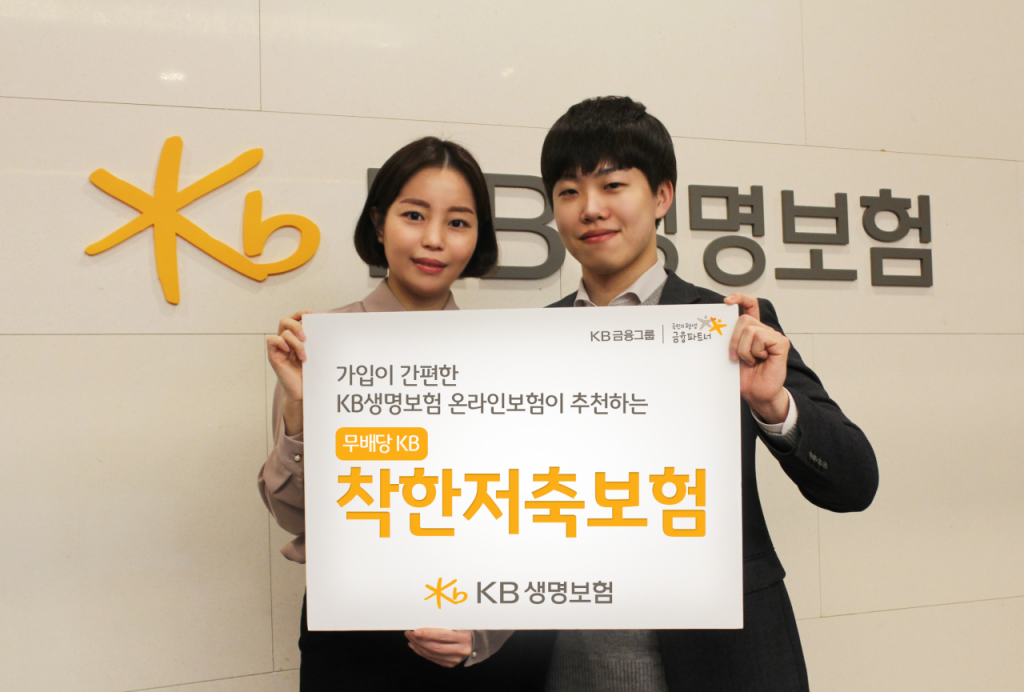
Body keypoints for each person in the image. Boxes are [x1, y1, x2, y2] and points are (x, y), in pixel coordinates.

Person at [532, 96, 879, 691]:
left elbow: (854, 483)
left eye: (612, 185)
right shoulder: (527, 342)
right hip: (568, 659)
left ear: (661, 196)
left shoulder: (731, 326)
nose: (590, 208)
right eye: (569, 191)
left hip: (724, 658)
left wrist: (773, 406)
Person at [258, 136, 554, 691]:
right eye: (414, 215)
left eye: (458, 222)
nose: (434, 239)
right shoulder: (323, 346)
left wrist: (486, 632)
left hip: (486, 636)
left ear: (478, 236)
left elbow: (539, 514)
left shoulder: (509, 355)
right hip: (356, 642)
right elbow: (296, 517)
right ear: (378, 222)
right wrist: (299, 408)